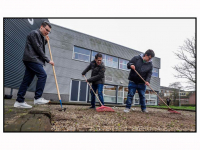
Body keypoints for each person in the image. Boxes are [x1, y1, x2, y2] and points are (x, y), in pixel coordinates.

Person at [14, 21, 54, 108]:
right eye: (46, 30)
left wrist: (46, 41)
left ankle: (19, 101)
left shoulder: (39, 36)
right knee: (43, 75)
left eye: (48, 31)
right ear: (41, 27)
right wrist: (47, 60)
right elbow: (38, 48)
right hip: (33, 59)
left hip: (32, 59)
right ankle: (38, 98)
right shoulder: (34, 33)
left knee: (27, 81)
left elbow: (39, 45)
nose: (47, 32)